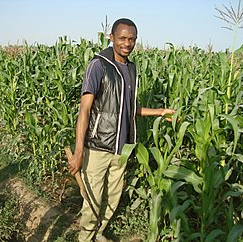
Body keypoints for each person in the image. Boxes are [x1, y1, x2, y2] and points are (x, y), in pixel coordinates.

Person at [68, 18, 175, 242]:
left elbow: (129, 108)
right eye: (122, 38)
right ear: (111, 38)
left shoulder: (131, 69)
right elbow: (85, 110)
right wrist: (79, 153)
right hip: (97, 147)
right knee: (92, 199)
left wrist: (159, 112)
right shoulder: (98, 65)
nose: (127, 43)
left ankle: (98, 233)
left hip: (121, 148)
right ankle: (85, 238)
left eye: (132, 39)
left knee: (113, 198)